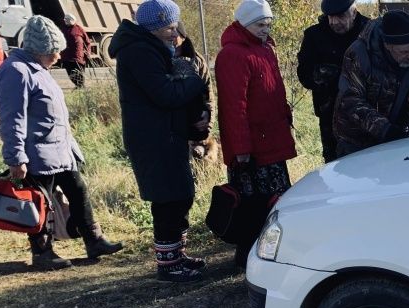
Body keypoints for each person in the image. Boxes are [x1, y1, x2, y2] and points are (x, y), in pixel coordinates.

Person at [0, 15, 122, 269]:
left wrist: (72, 149)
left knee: (78, 190)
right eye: (53, 51)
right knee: (39, 205)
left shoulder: (40, 69)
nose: (57, 57)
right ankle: (42, 253)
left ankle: (93, 240)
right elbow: (12, 119)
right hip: (37, 155)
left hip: (60, 151)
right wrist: (16, 158)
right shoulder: (15, 72)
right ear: (37, 49)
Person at [108, 0, 209, 283]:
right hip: (153, 139)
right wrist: (196, 81)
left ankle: (177, 254)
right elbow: (165, 94)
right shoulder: (139, 52)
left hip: (166, 135)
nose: (174, 32)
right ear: (154, 27)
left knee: (181, 195)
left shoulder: (151, 48)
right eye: (169, 26)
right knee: (168, 199)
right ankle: (168, 265)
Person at [215, 0, 296, 269]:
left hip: (272, 139)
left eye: (268, 24)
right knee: (252, 205)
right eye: (260, 25)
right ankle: (248, 256)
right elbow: (233, 105)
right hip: (252, 147)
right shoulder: (232, 55)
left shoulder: (266, 48)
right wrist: (241, 147)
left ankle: (275, 252)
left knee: (277, 202)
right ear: (244, 24)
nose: (265, 29)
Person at [333, 10, 409, 158]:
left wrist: (407, 130)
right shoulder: (358, 54)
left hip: (393, 138)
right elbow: (351, 101)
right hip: (355, 141)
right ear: (387, 45)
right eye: (404, 52)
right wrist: (384, 129)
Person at [296, 0, 370, 162]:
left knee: (371, 165)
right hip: (331, 117)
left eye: (340, 16)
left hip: (369, 116)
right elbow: (304, 74)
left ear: (354, 12)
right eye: (330, 17)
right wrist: (330, 74)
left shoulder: (370, 31)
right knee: (335, 168)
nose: (335, 22)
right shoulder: (314, 35)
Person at [171, 25, 213, 157]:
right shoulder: (161, 59)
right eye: (169, 31)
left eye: (175, 33)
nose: (171, 36)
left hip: (196, 126)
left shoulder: (197, 60)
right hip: (173, 127)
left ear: (183, 36)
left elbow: (208, 94)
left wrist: (207, 119)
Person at [60, 14, 91, 88]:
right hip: (66, 57)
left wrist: (88, 53)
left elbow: (88, 42)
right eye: (64, 19)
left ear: (72, 20)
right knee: (70, 74)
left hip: (78, 57)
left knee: (79, 73)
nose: (64, 20)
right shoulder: (63, 29)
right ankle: (79, 87)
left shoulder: (79, 29)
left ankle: (81, 87)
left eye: (67, 19)